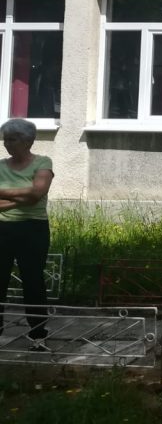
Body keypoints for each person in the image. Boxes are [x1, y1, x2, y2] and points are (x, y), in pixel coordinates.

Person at [0, 118, 54, 348]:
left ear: (28, 141)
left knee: (33, 281)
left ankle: (38, 334)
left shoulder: (43, 162)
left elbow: (37, 193)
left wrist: (5, 194)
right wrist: (25, 196)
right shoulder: (0, 165)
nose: (7, 144)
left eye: (12, 139)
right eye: (5, 140)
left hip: (33, 229)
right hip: (2, 228)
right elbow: (31, 195)